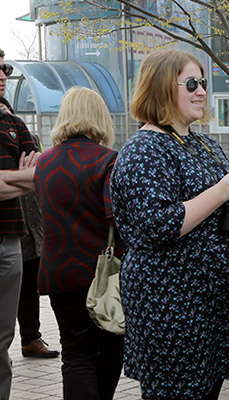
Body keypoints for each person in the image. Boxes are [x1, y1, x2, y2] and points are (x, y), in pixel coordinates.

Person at [111, 49, 229, 399]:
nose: (201, 92)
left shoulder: (203, 143)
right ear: (161, 87)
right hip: (173, 302)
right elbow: (159, 225)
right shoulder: (144, 150)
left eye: (204, 83)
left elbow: (215, 209)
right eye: (191, 83)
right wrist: (224, 187)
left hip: (208, 300)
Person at [34, 87, 125, 399]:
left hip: (58, 273)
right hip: (102, 276)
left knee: (75, 355)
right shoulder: (109, 160)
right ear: (100, 116)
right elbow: (118, 221)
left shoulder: (44, 163)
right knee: (110, 350)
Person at [0, 48, 41, 399]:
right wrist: (21, 176)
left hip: (11, 239)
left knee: (2, 338)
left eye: (4, 69)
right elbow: (25, 176)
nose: (2, 75)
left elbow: (37, 175)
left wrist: (9, 179)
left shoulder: (13, 122)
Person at [17, 130, 59, 360]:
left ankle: (31, 338)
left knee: (30, 287)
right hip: (10, 226)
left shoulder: (28, 136)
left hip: (34, 226)